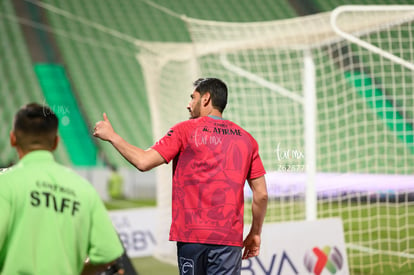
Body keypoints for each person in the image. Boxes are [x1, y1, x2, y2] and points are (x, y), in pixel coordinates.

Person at [93, 77, 268, 275]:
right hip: (228, 240)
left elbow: (143, 162)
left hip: (191, 237)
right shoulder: (246, 139)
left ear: (206, 98)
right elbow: (261, 194)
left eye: (192, 97)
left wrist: (112, 136)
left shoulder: (184, 130)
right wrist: (255, 232)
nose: (188, 105)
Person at [0, 103, 124, 275]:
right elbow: (109, 252)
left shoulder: (4, 184)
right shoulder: (82, 188)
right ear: (56, 142)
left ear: (13, 139)